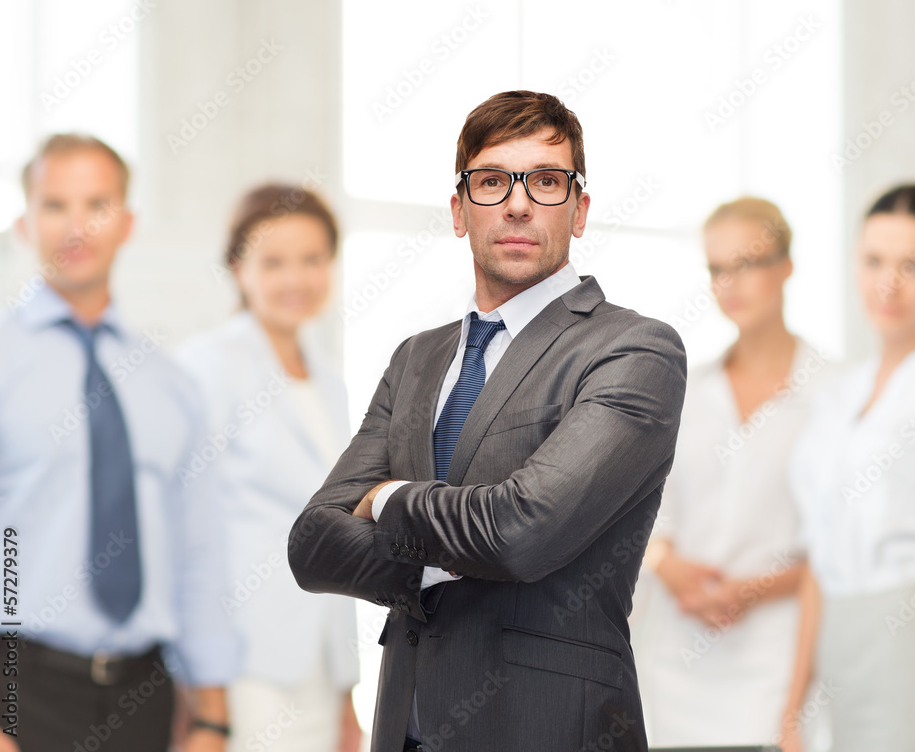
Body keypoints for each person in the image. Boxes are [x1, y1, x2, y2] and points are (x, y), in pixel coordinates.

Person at [287, 90, 687, 752]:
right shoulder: (417, 358)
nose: (519, 203)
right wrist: (446, 561)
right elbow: (312, 543)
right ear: (458, 210)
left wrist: (387, 498)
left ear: (580, 210)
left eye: (547, 181)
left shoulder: (633, 350)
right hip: (406, 727)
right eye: (493, 180)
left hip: (547, 729)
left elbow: (520, 531)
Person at [0, 134, 239, 752]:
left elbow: (198, 550)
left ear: (127, 222)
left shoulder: (170, 383)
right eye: (55, 205)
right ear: (24, 223)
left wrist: (212, 715)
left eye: (96, 203)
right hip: (14, 689)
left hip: (145, 699)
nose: (77, 224)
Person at [780, 184, 915, 752]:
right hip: (837, 648)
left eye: (912, 265)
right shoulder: (835, 395)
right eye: (874, 261)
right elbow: (818, 559)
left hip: (913, 638)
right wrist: (793, 707)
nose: (888, 283)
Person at [176, 184, 362, 752]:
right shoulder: (205, 368)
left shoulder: (330, 381)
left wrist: (346, 691)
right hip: (244, 661)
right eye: (273, 262)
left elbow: (340, 530)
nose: (295, 279)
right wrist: (205, 695)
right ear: (237, 267)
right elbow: (186, 534)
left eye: (312, 260)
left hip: (321, 663)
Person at [633, 197, 822, 744]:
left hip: (775, 669)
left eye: (749, 263)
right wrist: (670, 569)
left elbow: (835, 546)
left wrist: (757, 589)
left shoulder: (833, 393)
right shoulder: (683, 389)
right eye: (718, 269)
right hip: (674, 670)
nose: (731, 283)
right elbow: (642, 514)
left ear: (786, 266)